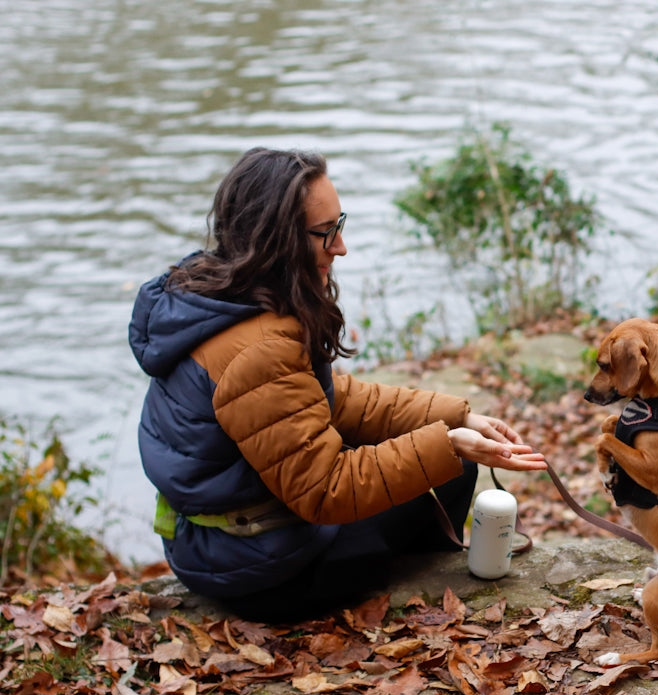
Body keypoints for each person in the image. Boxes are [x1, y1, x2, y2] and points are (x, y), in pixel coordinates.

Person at [129, 147, 546, 622]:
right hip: (253, 571)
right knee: (444, 474)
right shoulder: (259, 349)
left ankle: (417, 571)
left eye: (339, 224)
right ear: (276, 239)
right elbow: (324, 490)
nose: (341, 246)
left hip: (215, 543)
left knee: (443, 459)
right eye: (326, 233)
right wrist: (446, 445)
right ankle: (426, 597)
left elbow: (326, 400)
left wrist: (457, 416)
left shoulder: (223, 295)